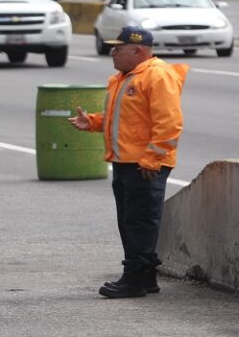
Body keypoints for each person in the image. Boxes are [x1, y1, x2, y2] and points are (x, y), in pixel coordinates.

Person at [68, 26, 189, 299]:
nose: (112, 52)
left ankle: (134, 279)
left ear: (138, 50)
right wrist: (94, 122)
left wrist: (153, 159)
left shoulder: (157, 75)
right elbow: (128, 120)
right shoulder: (124, 77)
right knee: (131, 221)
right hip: (126, 162)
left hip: (145, 165)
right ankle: (145, 277)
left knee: (139, 222)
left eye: (118, 48)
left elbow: (169, 124)